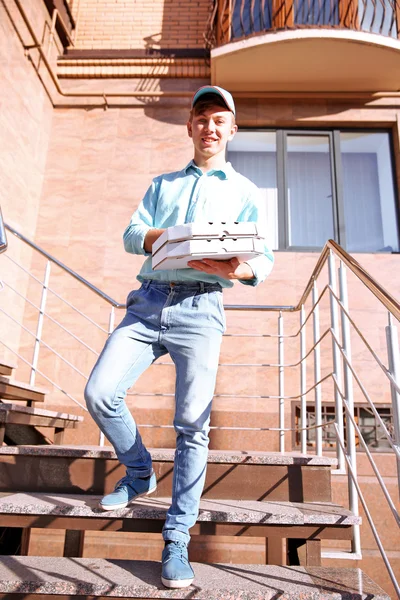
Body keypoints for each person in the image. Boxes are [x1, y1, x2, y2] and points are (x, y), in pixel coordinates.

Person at [84, 85, 274, 589]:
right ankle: (139, 470)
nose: (209, 127)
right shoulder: (161, 184)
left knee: (192, 424)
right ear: (189, 127)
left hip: (202, 308)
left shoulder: (247, 192)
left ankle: (177, 539)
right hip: (148, 301)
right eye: (201, 118)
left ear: (232, 129)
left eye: (219, 120)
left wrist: (235, 269)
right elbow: (131, 234)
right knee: (100, 392)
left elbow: (264, 262)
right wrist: (165, 237)